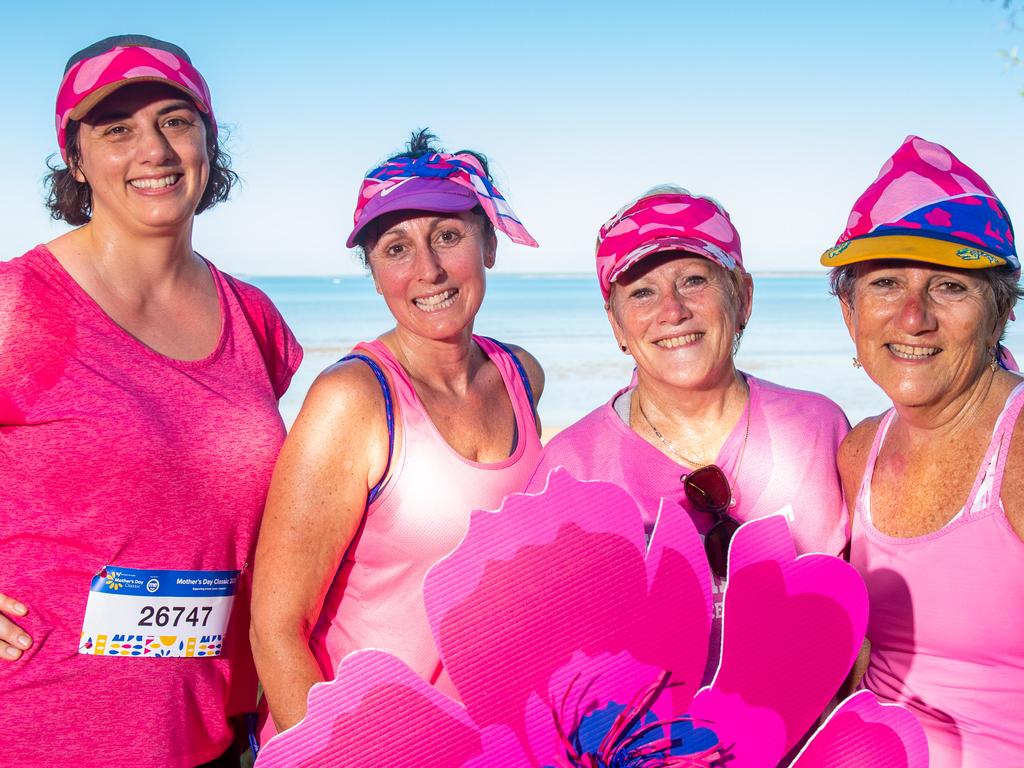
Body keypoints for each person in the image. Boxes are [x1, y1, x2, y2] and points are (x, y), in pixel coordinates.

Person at [0, 35, 301, 767]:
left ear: (207, 139)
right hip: (37, 723)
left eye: (175, 120)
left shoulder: (252, 316)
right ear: (75, 159)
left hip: (206, 732)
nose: (154, 150)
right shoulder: (18, 304)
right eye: (117, 129)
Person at [250, 131, 543, 744]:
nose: (428, 270)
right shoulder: (352, 401)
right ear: (375, 274)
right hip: (358, 744)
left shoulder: (521, 377)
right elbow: (275, 628)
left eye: (448, 236)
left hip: (480, 744)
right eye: (396, 248)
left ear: (488, 243)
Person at [528, 185, 849, 677]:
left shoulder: (817, 428)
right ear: (616, 325)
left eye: (694, 279)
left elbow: (858, 614)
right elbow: (546, 647)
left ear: (742, 297)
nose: (672, 311)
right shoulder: (572, 467)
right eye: (641, 292)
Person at [823, 135, 1024, 767]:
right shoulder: (859, 450)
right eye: (885, 284)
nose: (913, 318)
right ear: (851, 316)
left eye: (950, 287)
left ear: (1000, 313)